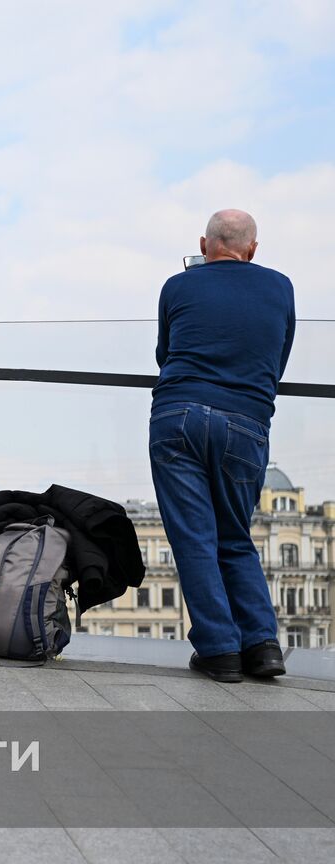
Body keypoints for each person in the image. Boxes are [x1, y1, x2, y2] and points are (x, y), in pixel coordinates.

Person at [150, 209, 296, 682]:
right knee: (235, 536)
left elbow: (165, 354)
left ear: (203, 244)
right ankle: (263, 646)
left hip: (178, 416)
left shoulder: (177, 286)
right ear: (252, 250)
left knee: (195, 537)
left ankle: (219, 651)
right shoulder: (281, 287)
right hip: (246, 422)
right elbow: (277, 361)